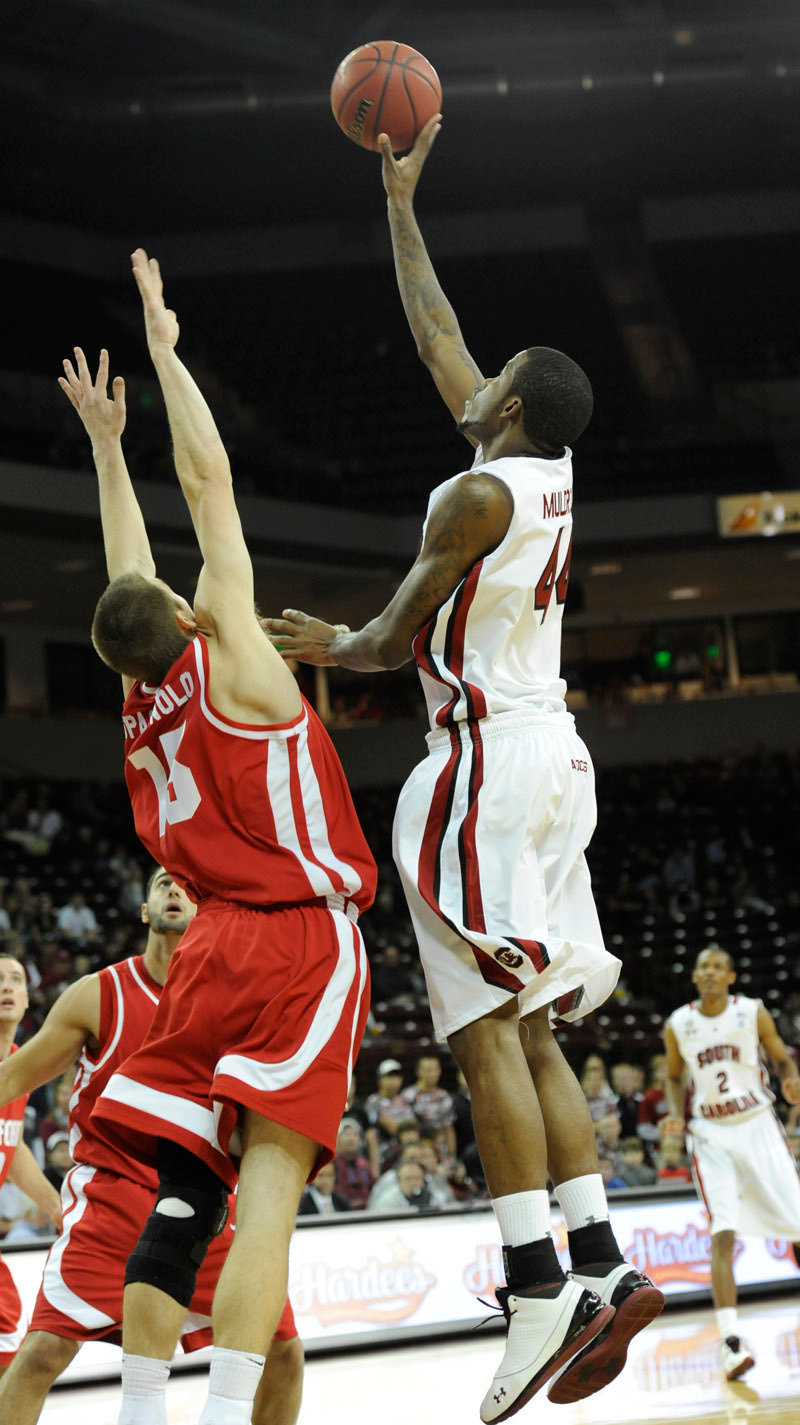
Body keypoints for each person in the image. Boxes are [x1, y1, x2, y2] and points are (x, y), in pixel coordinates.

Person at [263, 115, 663, 1420]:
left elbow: (388, 634)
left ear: (507, 406)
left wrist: (333, 641)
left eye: (488, 375)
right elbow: (441, 332)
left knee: (483, 1028)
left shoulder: (467, 500)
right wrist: (400, 204)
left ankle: (533, 1277)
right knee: (532, 1016)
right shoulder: (538, 470)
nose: (468, 371)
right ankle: (597, 1255)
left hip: (484, 761)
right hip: (558, 761)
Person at [58, 251, 376, 1425]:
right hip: (299, 940)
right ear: (188, 616)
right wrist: (165, 349)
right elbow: (207, 483)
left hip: (209, 958)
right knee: (272, 1201)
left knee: (183, 1192)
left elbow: (123, 578)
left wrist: (100, 446)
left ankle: (144, 1409)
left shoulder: (141, 698)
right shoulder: (234, 655)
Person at [0, 869, 303, 1425]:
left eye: (187, 885)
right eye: (163, 882)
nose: (173, 891)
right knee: (42, 1351)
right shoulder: (99, 993)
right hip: (113, 1200)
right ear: (144, 908)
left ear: (210, 908)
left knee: (283, 1354)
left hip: (208, 1203)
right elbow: (12, 1079)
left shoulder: (240, 1004)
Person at [664, 944, 800, 1382]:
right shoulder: (679, 1023)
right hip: (711, 1134)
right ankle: (731, 1342)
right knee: (722, 1232)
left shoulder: (751, 1012)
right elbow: (671, 1075)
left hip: (758, 1124)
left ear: (731, 977)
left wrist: (791, 1077)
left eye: (718, 967)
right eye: (703, 966)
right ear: (694, 976)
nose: (710, 973)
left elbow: (780, 1055)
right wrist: (674, 1113)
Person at [0, 956, 62, 1380]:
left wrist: (59, 1207)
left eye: (16, 979)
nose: (6, 986)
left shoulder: (20, 1062)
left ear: (26, 998)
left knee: (7, 1328)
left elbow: (12, 1143)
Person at [400, 1053, 457, 1161]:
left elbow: (449, 1128)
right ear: (418, 1071)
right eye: (427, 1070)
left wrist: (452, 1156)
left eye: (434, 1069)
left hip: (440, 1149)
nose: (431, 1074)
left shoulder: (444, 1097)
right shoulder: (408, 1095)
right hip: (416, 1148)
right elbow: (406, 1128)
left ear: (439, 1071)